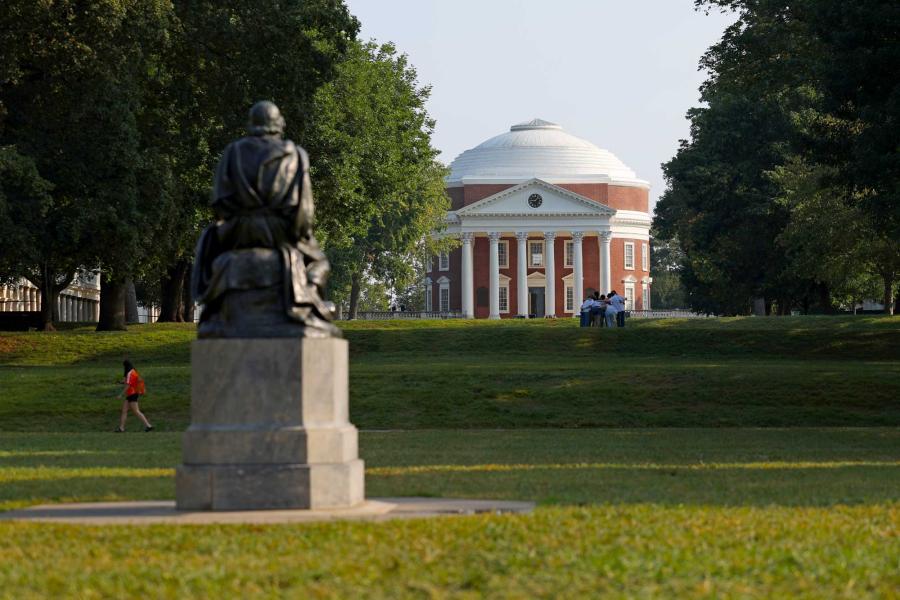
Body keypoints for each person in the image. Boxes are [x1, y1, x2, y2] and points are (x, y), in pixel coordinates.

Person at [116, 360, 153, 432]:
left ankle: (148, 425)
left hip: (132, 394)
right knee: (124, 410)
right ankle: (121, 428)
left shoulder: (130, 373)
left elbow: (128, 385)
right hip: (131, 394)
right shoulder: (134, 371)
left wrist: (120, 395)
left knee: (136, 411)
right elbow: (129, 382)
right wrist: (120, 382)